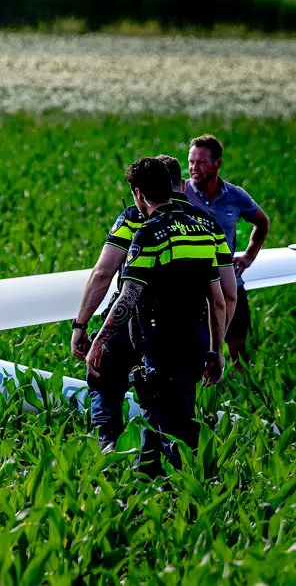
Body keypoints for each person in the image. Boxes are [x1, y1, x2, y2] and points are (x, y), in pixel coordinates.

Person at [71, 155, 235, 451]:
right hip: (192, 331)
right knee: (172, 409)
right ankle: (165, 470)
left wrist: (84, 328)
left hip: (147, 327)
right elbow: (225, 296)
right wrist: (215, 348)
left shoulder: (138, 222)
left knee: (112, 377)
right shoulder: (206, 226)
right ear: (181, 185)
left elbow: (106, 276)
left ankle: (110, 442)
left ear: (139, 193)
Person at [185, 134, 271, 365]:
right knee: (195, 349)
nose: (194, 168)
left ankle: (240, 385)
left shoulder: (235, 195)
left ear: (217, 163)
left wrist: (248, 256)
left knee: (238, 348)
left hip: (229, 282)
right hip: (192, 287)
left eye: (201, 162)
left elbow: (262, 223)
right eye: (191, 162)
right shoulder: (180, 195)